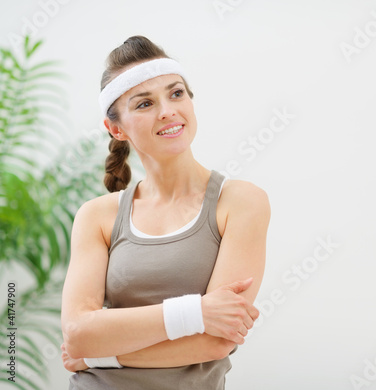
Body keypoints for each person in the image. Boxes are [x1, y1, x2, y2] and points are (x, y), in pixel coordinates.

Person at [60, 35, 270, 389]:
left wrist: (100, 354)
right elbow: (79, 333)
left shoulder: (240, 202)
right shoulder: (96, 216)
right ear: (116, 128)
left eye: (176, 93)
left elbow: (216, 342)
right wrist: (196, 314)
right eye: (144, 103)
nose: (168, 111)